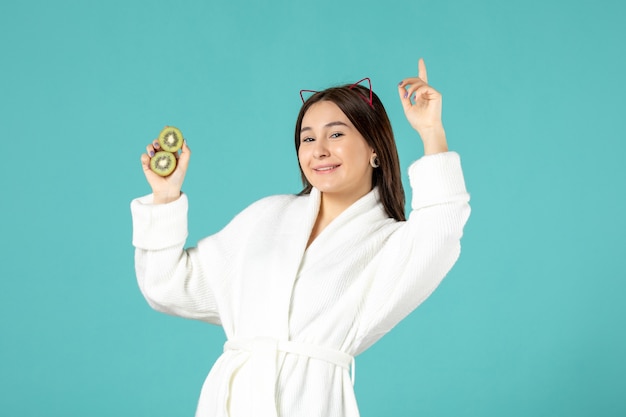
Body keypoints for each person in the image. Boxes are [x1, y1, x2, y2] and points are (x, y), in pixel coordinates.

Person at [131, 58, 470, 417]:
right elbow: (166, 285)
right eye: (307, 138)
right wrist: (165, 197)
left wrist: (431, 131)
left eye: (336, 134)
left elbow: (441, 231)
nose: (319, 149)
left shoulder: (388, 243)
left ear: (374, 149)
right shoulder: (266, 217)